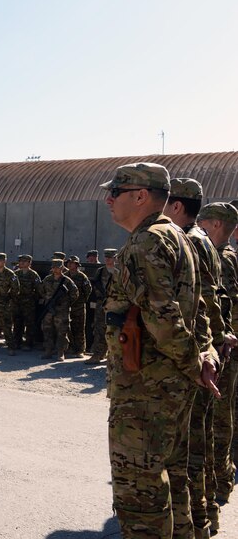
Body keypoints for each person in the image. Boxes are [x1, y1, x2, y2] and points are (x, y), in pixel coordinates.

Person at [101, 162, 219, 538]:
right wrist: (202, 356)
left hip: (146, 393)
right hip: (170, 388)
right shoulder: (179, 237)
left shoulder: (146, 241)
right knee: (171, 484)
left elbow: (164, 318)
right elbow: (197, 310)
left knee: (141, 501)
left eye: (115, 192)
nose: (108, 200)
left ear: (140, 196)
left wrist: (193, 364)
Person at [165, 179, 229, 536]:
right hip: (208, 350)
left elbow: (201, 304)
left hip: (195, 355)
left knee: (187, 452)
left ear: (176, 207)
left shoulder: (189, 241)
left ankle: (195, 524)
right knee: (196, 447)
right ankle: (205, 521)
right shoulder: (203, 242)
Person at [196, 202, 238, 506]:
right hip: (225, 348)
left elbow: (226, 309)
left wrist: (224, 343)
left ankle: (220, 483)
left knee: (219, 419)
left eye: (204, 223)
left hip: (225, 350)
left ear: (215, 226)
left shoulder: (223, 260)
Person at [36, 259, 78, 361]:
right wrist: (48, 299)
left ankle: (60, 352)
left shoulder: (67, 280)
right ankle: (48, 351)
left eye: (58, 267)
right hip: (49, 309)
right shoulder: (47, 279)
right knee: (47, 329)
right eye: (54, 267)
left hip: (62, 310)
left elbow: (75, 294)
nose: (55, 270)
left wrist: (65, 303)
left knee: (62, 331)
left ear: (62, 268)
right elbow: (41, 290)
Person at [85, 249, 117, 365]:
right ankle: (98, 354)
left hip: (116, 304)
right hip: (101, 304)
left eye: (110, 257)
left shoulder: (119, 271)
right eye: (106, 257)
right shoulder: (100, 271)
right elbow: (94, 286)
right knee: (99, 328)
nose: (108, 259)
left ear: (115, 258)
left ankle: (113, 355)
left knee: (115, 330)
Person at [65, 255, 93, 357]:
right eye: (68, 263)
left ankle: (81, 350)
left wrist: (82, 301)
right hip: (68, 306)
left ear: (76, 265)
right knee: (68, 328)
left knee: (80, 328)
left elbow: (88, 290)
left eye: (72, 263)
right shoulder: (65, 275)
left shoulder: (82, 276)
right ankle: (71, 348)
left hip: (79, 306)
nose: (69, 264)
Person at [13, 254, 41, 351]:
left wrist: (34, 299)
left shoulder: (33, 274)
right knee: (17, 323)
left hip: (29, 303)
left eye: (24, 261)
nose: (21, 263)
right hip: (17, 302)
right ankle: (17, 342)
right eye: (20, 261)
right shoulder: (16, 273)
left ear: (29, 263)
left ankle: (28, 343)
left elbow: (39, 289)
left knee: (29, 323)